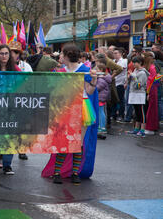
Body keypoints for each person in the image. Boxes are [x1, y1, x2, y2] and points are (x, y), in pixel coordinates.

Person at [42, 44, 99, 184]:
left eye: (62, 54)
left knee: (78, 142)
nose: (60, 56)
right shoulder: (61, 71)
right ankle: (57, 172)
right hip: (66, 107)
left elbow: (90, 91)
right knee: (64, 141)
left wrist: (93, 80)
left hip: (82, 107)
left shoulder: (85, 70)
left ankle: (75, 172)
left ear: (67, 55)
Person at [0, 45, 21, 176]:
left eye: (6, 53)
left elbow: (24, 83)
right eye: (1, 53)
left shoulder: (16, 70)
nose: (4, 56)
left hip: (11, 108)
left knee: (9, 137)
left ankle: (7, 165)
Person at [126, 56, 149, 137]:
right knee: (136, 112)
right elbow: (131, 83)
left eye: (135, 62)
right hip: (134, 93)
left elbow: (139, 85)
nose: (133, 64)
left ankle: (142, 130)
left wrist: (134, 77)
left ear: (140, 63)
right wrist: (129, 77)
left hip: (140, 94)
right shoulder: (135, 70)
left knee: (142, 112)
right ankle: (136, 129)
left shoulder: (142, 73)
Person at [143, 52, 160, 135]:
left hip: (152, 90)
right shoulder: (151, 67)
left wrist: (149, 93)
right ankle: (152, 126)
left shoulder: (152, 68)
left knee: (151, 109)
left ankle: (150, 127)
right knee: (151, 109)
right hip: (152, 89)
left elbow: (152, 81)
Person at [95, 56, 112, 134]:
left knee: (100, 112)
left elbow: (97, 88)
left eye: (97, 69)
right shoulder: (103, 78)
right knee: (101, 111)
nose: (95, 71)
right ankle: (101, 126)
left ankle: (101, 126)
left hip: (100, 97)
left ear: (101, 70)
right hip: (102, 97)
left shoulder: (101, 79)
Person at [113, 49, 128, 122]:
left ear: (120, 54)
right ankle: (114, 115)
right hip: (113, 83)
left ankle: (121, 115)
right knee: (114, 100)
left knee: (121, 100)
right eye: (114, 53)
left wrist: (126, 82)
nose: (115, 55)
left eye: (116, 53)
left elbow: (123, 70)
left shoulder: (124, 61)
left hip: (120, 82)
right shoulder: (113, 61)